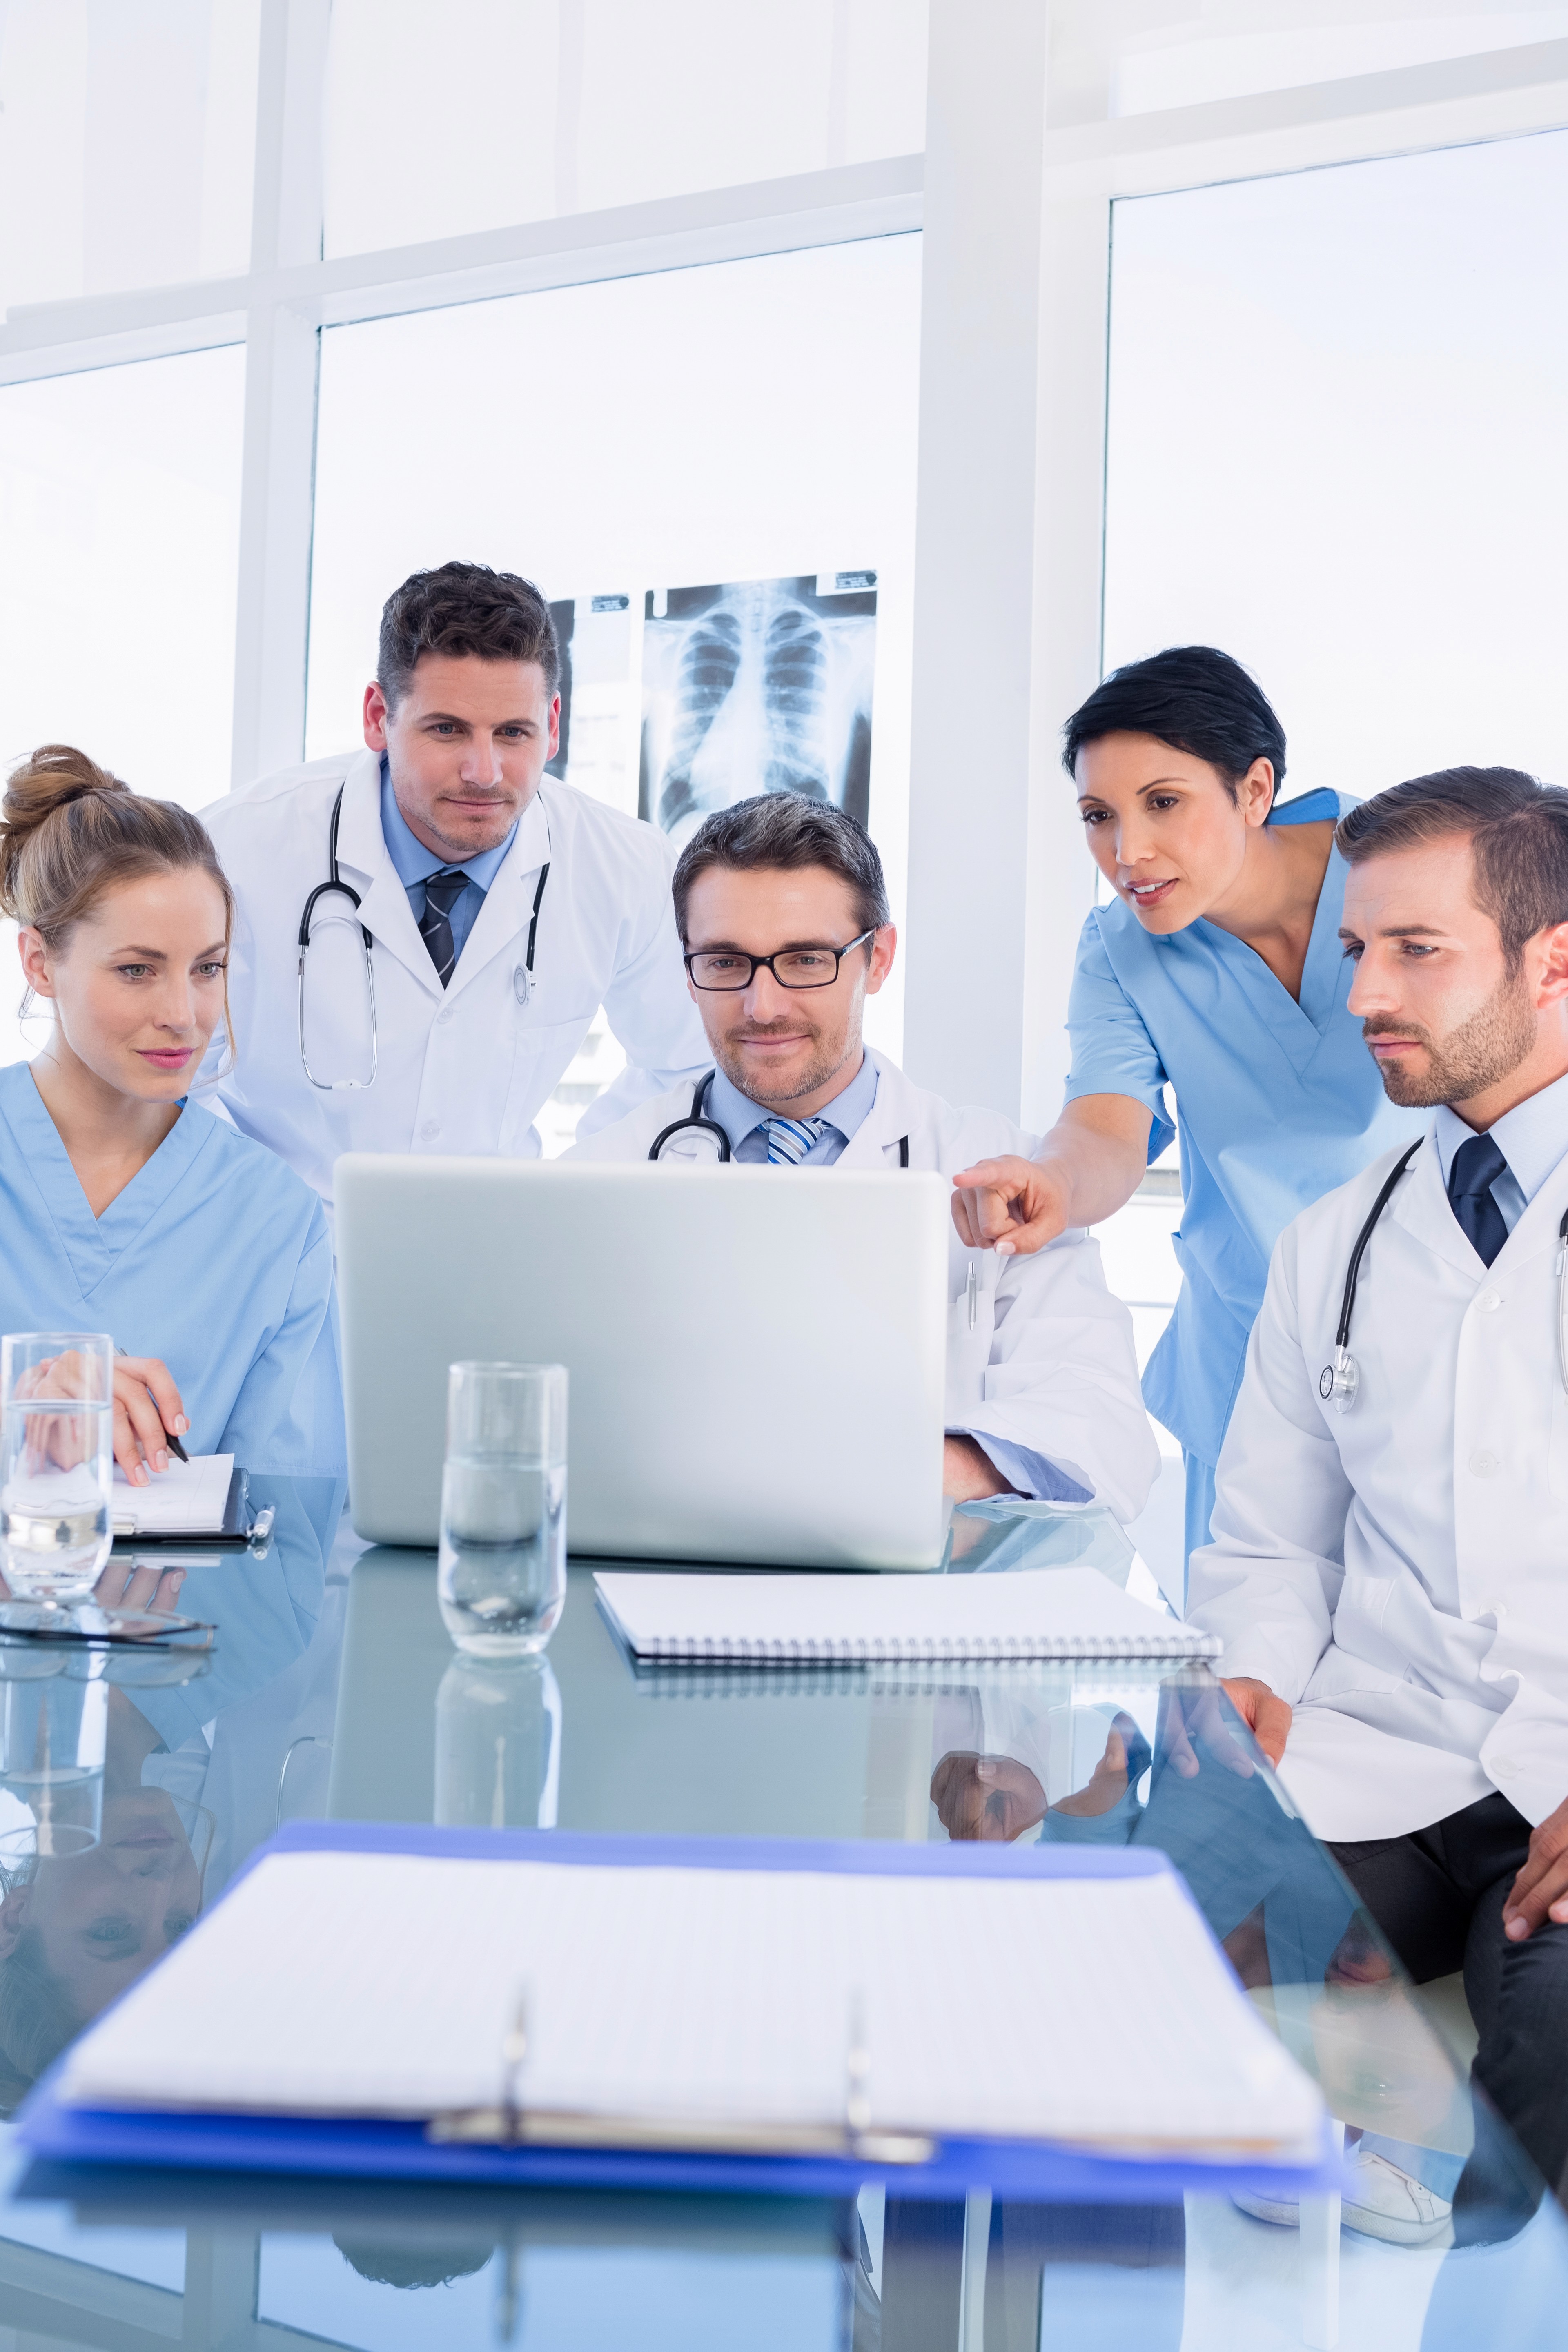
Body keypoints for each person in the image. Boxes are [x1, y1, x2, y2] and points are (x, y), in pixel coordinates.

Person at [1187, 766, 1568, 2229]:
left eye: (1418, 950)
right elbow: (1271, 1539)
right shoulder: (1336, 1244)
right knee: (1160, 1915)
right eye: (1357, 949)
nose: (1362, 996)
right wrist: (1255, 1680)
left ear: (1553, 962)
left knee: (1551, 2056)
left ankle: (1477, 2284)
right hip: (1383, 1755)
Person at [948, 647, 1411, 1571]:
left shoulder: (1408, 873)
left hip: (1435, 1346)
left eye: (1164, 803)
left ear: (1254, 789)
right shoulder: (1122, 947)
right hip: (1249, 1360)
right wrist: (1051, 1182)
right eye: (1099, 816)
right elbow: (1106, 1131)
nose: (1129, 852)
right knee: (1240, 1685)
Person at [571, 793, 1157, 1521]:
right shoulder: (597, 1178)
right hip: (655, 1583)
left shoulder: (995, 1168)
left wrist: (887, 1475)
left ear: (877, 959)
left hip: (910, 1604)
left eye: (805, 961)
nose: (763, 1006)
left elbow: (1098, 1423)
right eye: (725, 962)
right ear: (688, 971)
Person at [202, 562, 708, 1209]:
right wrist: (252, 1216)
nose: (484, 771)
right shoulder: (235, 850)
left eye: (513, 733)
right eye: (447, 729)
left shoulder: (624, 865)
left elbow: (686, 1065)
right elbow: (170, 1080)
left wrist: (579, 1184)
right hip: (278, 1243)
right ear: (378, 716)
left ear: (552, 725)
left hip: (494, 1249)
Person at [0, 745, 344, 1484]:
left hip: (196, 1604)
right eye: (137, 970)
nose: (184, 1016)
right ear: (39, 963)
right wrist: (22, 1419)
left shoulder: (274, 1221)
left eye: (207, 968)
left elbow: (290, 1525)